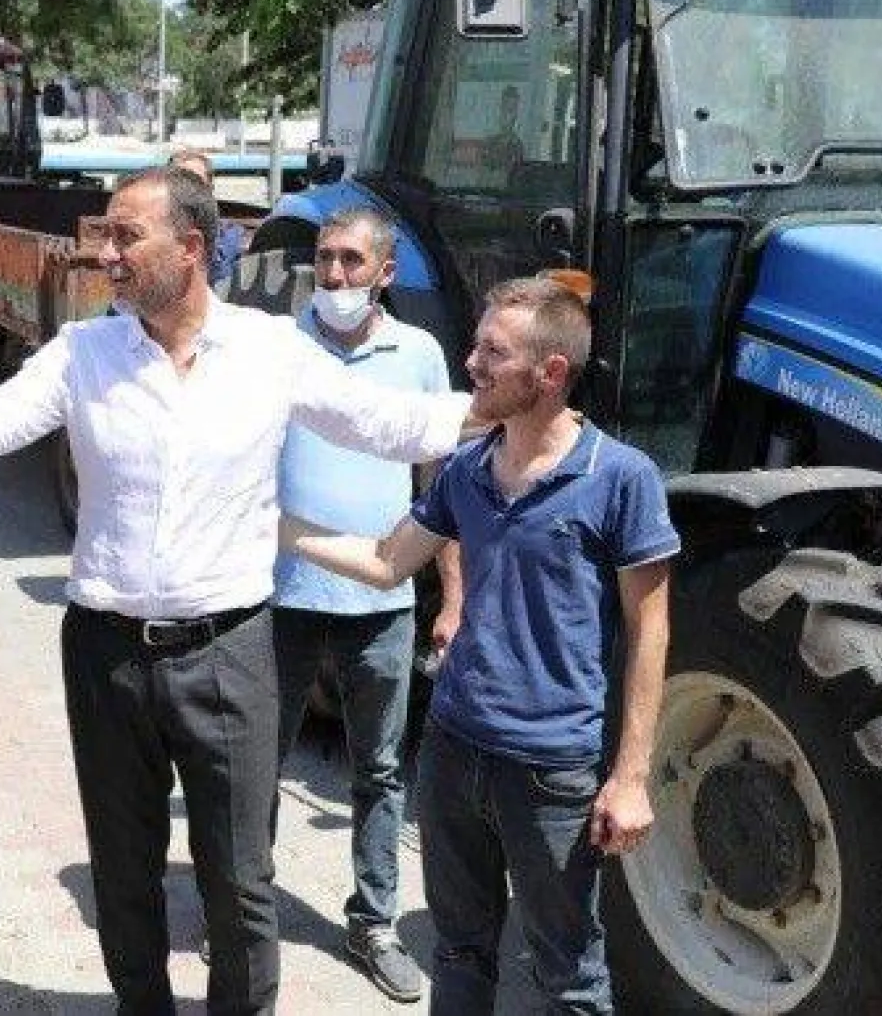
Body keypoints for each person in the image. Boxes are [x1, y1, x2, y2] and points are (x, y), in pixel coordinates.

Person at [0, 165, 470, 1015]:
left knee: (241, 884)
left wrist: (513, 404)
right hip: (107, 658)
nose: (106, 254)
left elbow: (391, 424)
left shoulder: (268, 350)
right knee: (124, 875)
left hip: (232, 653)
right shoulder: (83, 354)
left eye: (126, 236)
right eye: (105, 235)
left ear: (192, 248)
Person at [282, 277, 677, 1015]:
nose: (470, 363)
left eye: (494, 352)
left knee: (571, 977)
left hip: (552, 771)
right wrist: (279, 527)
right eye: (477, 345)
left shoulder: (621, 478)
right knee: (459, 952)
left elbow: (651, 630)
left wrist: (630, 776)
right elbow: (385, 560)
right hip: (452, 750)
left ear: (550, 373)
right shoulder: (467, 467)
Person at [271, 206, 460, 1004]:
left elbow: (438, 485)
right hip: (277, 598)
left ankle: (373, 920)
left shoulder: (418, 354)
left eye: (352, 261)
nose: (336, 275)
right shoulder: (277, 346)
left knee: (379, 770)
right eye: (325, 259)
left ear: (385, 272)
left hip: (381, 603)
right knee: (255, 764)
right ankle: (246, 910)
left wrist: (454, 593)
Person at [169, 146, 246, 288]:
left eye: (196, 182)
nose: (188, 189)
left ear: (210, 188)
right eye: (180, 181)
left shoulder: (229, 235)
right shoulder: (151, 234)